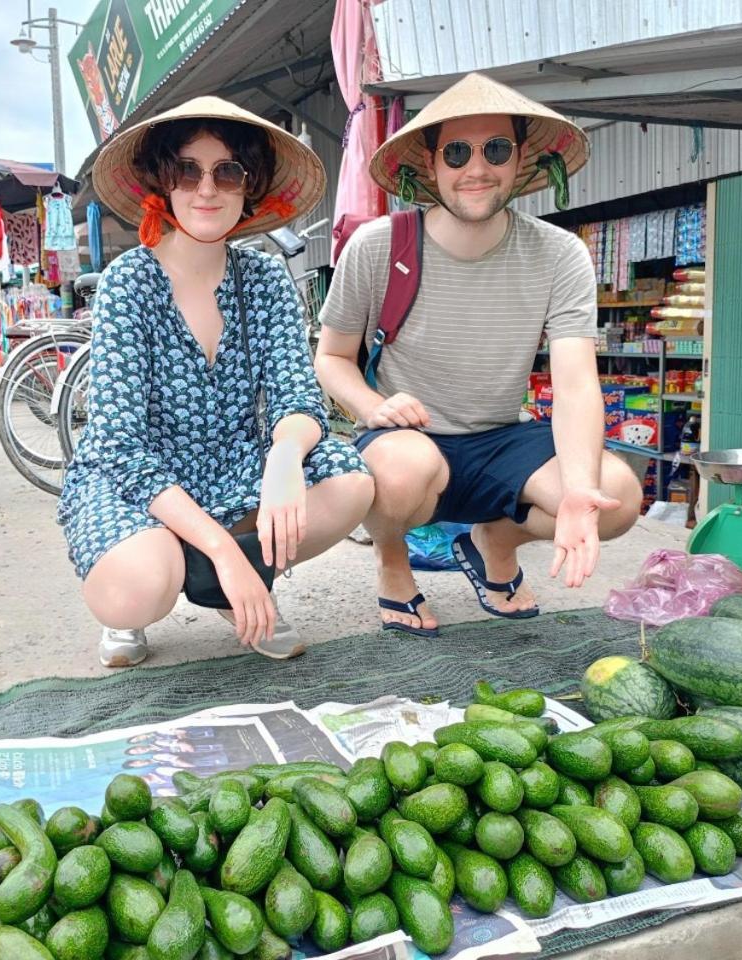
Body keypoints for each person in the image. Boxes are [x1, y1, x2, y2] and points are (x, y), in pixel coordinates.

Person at [315, 72, 642, 635]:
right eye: (457, 152)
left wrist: (580, 489)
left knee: (616, 495)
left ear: (520, 162)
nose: (476, 168)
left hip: (501, 439)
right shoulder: (378, 245)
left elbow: (575, 384)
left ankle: (495, 539)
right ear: (431, 165)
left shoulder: (559, 253)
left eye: (495, 149)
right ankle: (392, 562)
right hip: (409, 438)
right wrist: (372, 407)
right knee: (397, 472)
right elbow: (332, 358)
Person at [57, 95, 374, 668]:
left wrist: (283, 459)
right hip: (136, 479)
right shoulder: (130, 280)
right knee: (139, 587)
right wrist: (226, 551)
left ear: (248, 186)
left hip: (233, 465)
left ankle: (237, 589)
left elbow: (298, 396)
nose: (207, 188)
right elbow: (119, 447)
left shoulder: (265, 278)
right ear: (165, 181)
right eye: (188, 170)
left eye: (227, 171)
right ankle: (187, 587)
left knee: (349, 480)